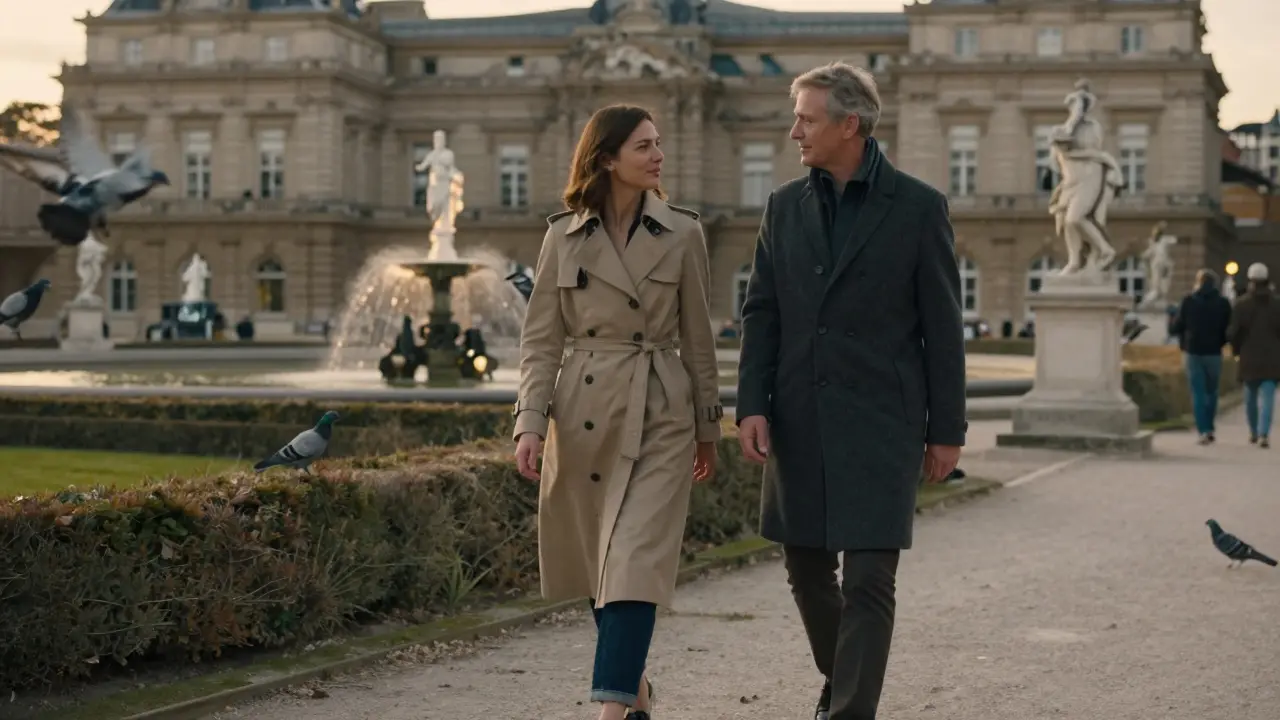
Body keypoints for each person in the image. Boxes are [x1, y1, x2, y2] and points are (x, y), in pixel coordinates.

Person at [736, 62, 967, 720]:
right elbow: (762, 312)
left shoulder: (919, 208)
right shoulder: (783, 207)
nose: (794, 132)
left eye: (806, 119)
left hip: (882, 421)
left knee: (869, 579)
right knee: (807, 573)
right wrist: (751, 402)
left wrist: (946, 429)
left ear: (851, 124)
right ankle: (846, 681)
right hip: (799, 415)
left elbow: (942, 328)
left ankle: (847, 711)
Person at [512, 104, 722, 720]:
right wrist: (528, 421)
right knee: (596, 559)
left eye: (658, 144)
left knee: (633, 559)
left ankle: (610, 710)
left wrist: (709, 429)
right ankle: (636, 691)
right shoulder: (562, 235)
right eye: (644, 147)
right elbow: (540, 340)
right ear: (606, 158)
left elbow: (699, 339)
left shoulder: (683, 232)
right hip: (582, 410)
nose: (659, 156)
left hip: (660, 409)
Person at [1169, 269, 1233, 445]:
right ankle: (1210, 427)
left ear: (1198, 282)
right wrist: (1221, 341)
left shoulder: (1188, 301)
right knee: (1212, 392)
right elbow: (1228, 329)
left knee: (1197, 392)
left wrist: (1172, 318)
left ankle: (1203, 430)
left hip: (1193, 351)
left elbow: (1175, 328)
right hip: (1214, 351)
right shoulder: (1223, 303)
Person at [1227, 262, 1280, 448]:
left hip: (1248, 356)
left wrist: (1235, 351)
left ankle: (1254, 431)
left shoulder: (1241, 304)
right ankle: (1264, 433)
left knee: (1249, 398)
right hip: (1273, 358)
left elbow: (1234, 333)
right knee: (1268, 398)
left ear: (1250, 281)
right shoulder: (1277, 304)